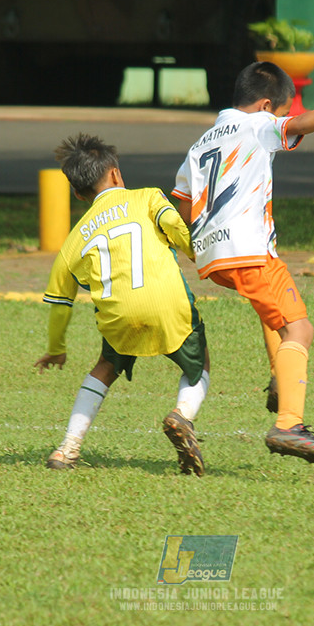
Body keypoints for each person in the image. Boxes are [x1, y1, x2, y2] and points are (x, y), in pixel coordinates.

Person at [172, 61, 314, 467]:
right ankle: (288, 424)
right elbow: (301, 124)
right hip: (247, 248)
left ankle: (280, 376)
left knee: (273, 312)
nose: (283, 121)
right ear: (264, 105)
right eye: (280, 112)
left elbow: (183, 200)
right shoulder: (257, 125)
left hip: (212, 255)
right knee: (300, 327)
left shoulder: (201, 142)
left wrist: (202, 243)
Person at [36, 133, 211, 476]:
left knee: (105, 366)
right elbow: (179, 231)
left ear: (77, 193)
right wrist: (200, 255)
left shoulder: (73, 239)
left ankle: (66, 449)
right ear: (115, 173)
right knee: (198, 363)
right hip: (167, 304)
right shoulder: (148, 198)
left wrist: (56, 348)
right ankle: (181, 415)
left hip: (118, 316)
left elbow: (60, 304)